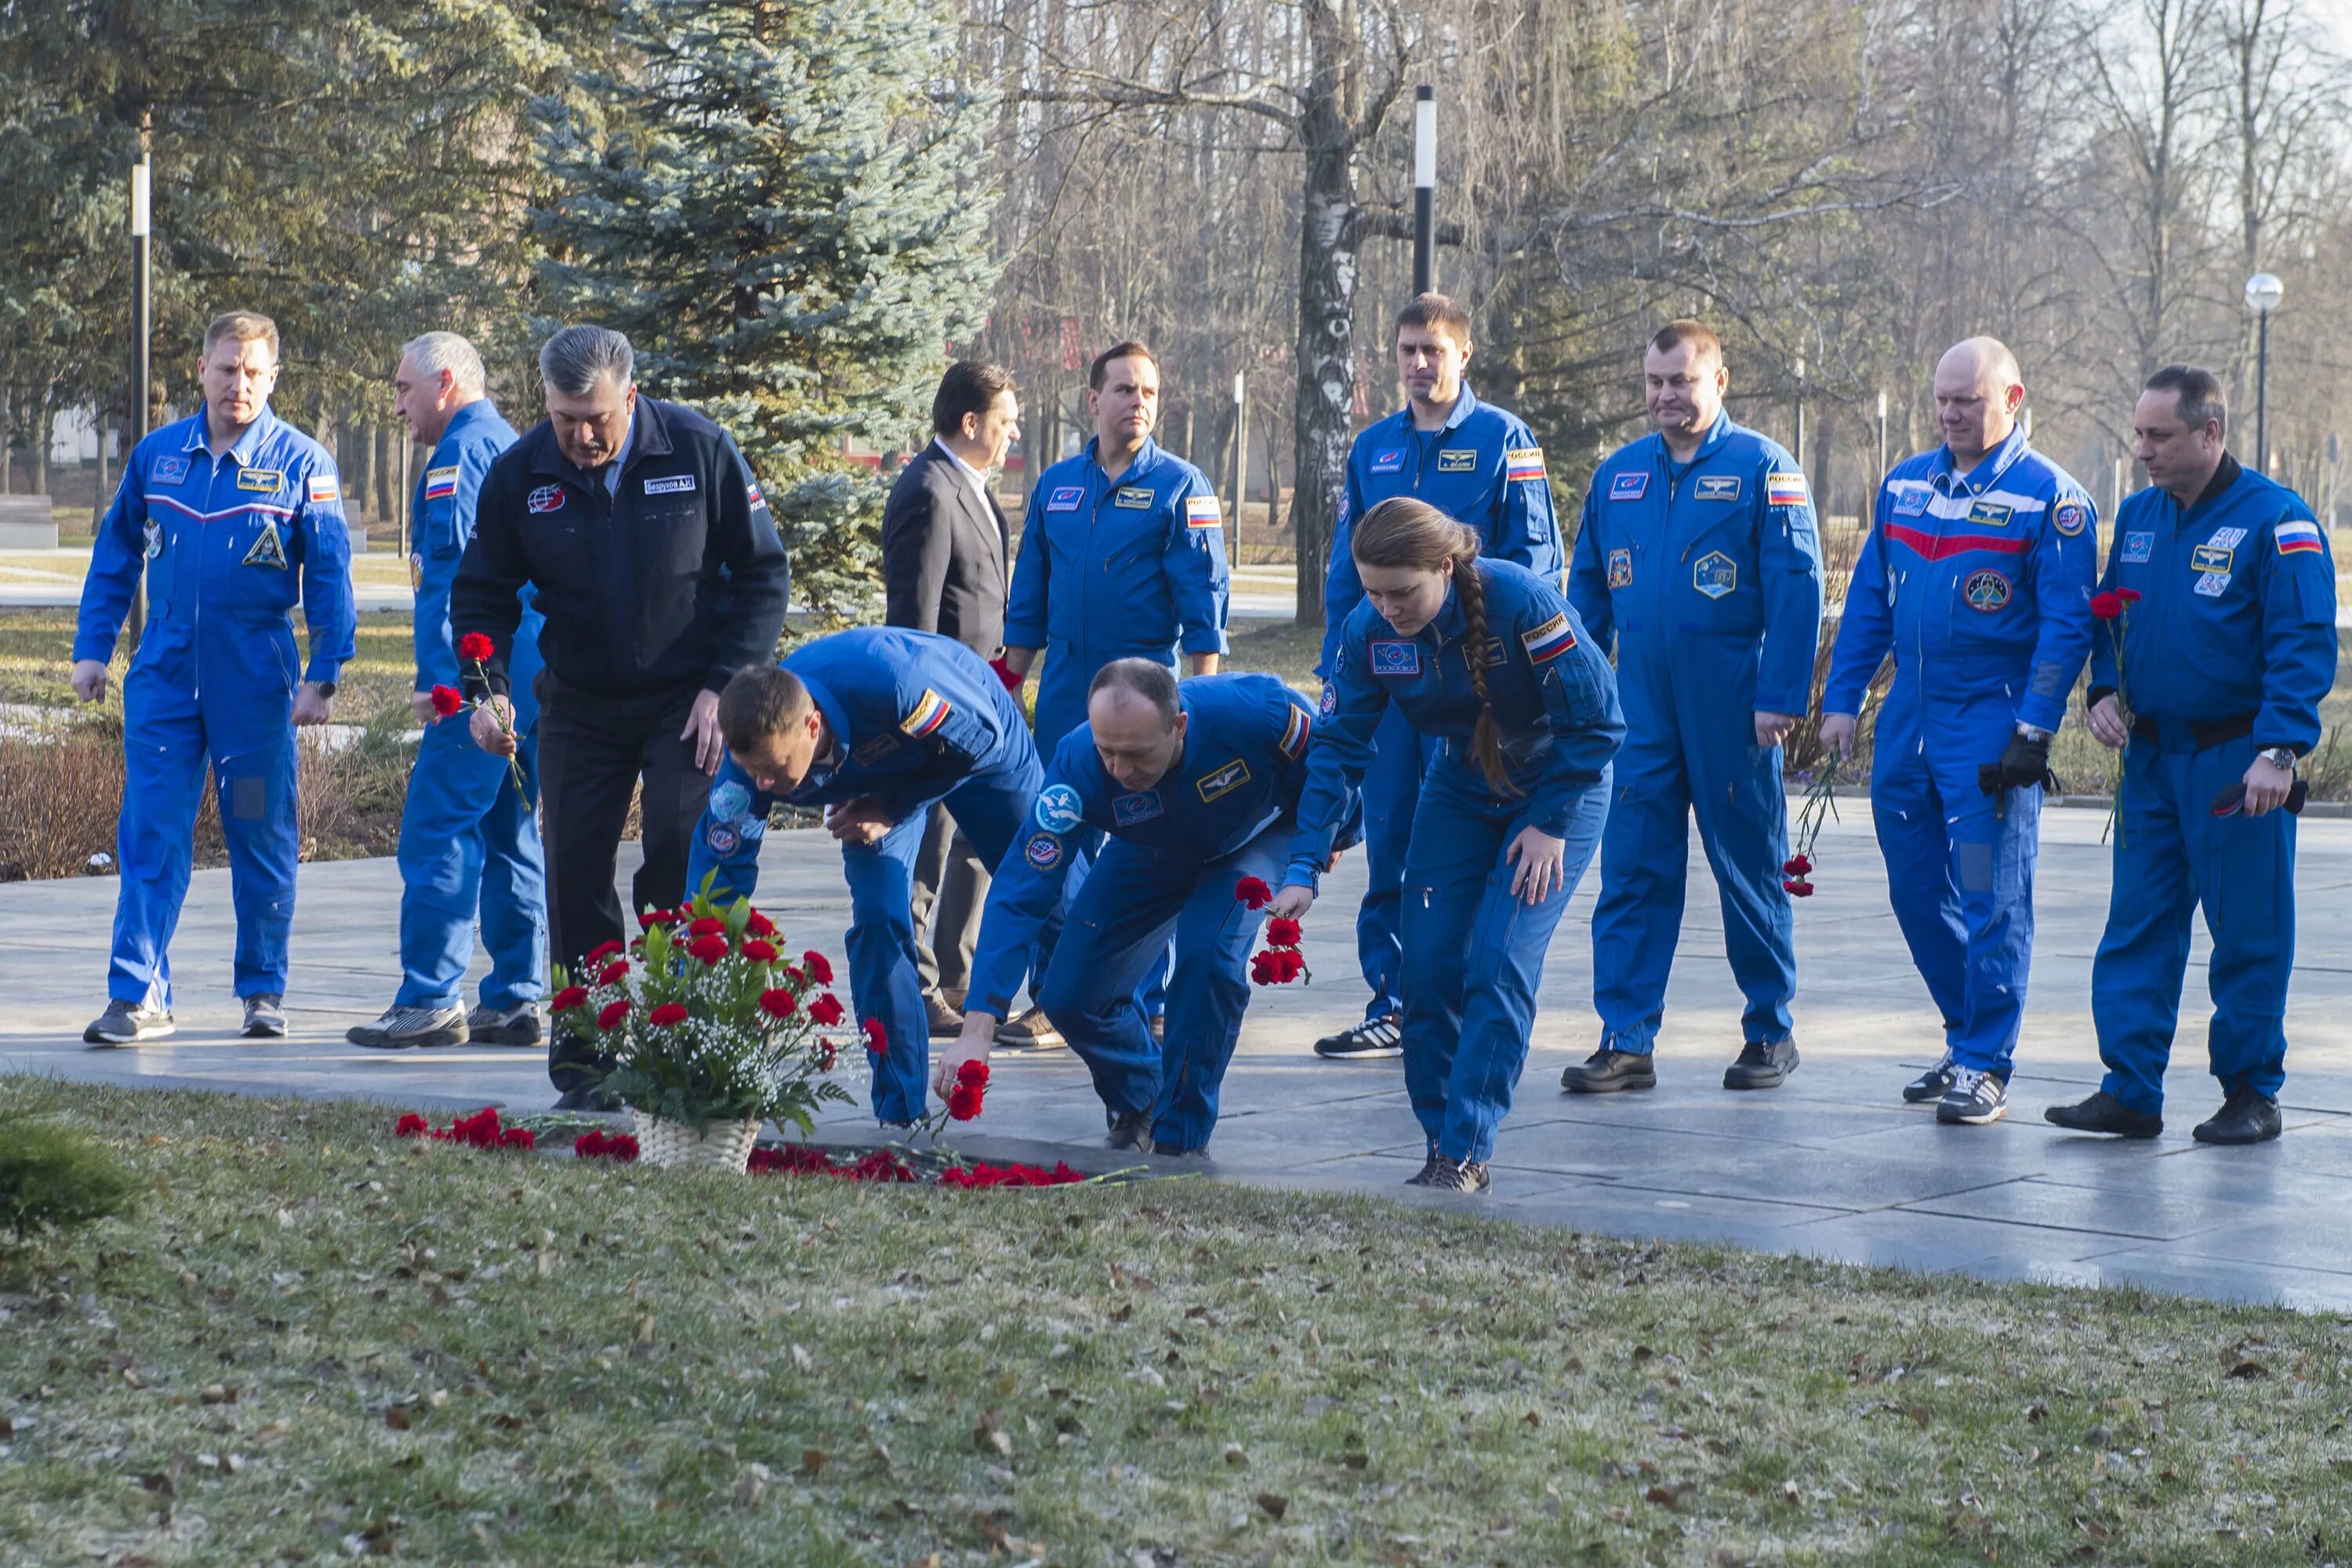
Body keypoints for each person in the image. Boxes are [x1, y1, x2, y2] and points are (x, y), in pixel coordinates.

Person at [450, 325, 789, 1106]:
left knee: (676, 860)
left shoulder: (700, 450)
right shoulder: (519, 474)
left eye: (597, 417)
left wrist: (723, 688)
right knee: (572, 872)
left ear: (630, 396)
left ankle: (684, 1052)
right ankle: (589, 1066)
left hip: (688, 699)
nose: (582, 435)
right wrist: (486, 689)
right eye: (565, 417)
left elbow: (763, 575)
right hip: (579, 702)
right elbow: (481, 596)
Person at [1271, 497, 1622, 1194]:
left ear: (1445, 565)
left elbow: (1599, 723)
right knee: (1426, 966)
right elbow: (1338, 749)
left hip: (1560, 785)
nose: (1387, 608)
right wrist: (1306, 862)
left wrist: (1550, 821)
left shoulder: (1523, 601)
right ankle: (1438, 1146)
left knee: (1497, 959)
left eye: (1402, 592)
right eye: (1372, 591)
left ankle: (1468, 1149)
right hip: (1462, 784)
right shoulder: (1369, 629)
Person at [2045, 365, 2337, 1145]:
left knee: (2248, 929)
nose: (2143, 449)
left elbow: (2303, 642)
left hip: (2236, 764)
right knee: (2137, 924)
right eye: (2139, 433)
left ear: (2211, 433)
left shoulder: (2277, 522)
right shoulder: (2139, 516)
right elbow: (2110, 618)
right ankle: (2131, 1088)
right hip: (2150, 762)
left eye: (2160, 435)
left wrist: (2279, 748)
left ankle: (2251, 1090)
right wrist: (2101, 690)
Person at [1819, 337, 2096, 1126]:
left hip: (1990, 729)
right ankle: (1961, 1027)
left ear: (2012, 399)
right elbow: (1871, 594)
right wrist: (1843, 697)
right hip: (1908, 722)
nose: (1950, 412)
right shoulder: (1906, 484)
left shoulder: (2053, 500)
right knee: (1914, 888)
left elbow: (2067, 625)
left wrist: (2033, 729)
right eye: (1941, 398)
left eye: (1967, 400)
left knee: (1991, 895)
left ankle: (1986, 1061)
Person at [74, 310, 354, 1045]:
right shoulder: (158, 457)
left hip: (255, 687)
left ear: (273, 378)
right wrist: (92, 648)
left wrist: (324, 674)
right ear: (201, 368)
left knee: (260, 834)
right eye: (227, 368)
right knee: (150, 833)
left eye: (255, 372)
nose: (239, 384)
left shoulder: (304, 464)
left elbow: (328, 577)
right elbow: (115, 555)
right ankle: (137, 993)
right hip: (164, 679)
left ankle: (263, 990)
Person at [935, 662, 1352, 1156]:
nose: (1119, 770)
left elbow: (1330, 759)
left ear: (1179, 727)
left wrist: (1331, 838)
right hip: (1154, 845)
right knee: (1069, 992)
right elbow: (1022, 887)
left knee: (1208, 956)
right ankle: (1144, 1099)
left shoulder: (1253, 711)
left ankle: (1180, 1140)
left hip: (1256, 836)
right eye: (1106, 751)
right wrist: (978, 1029)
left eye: (1136, 754)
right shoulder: (1076, 767)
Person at [1562, 320, 1824, 1093]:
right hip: (1638, 708)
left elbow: (1798, 588)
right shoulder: (1619, 476)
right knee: (1633, 867)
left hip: (1733, 708)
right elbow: (1586, 591)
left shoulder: (1763, 469)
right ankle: (1626, 1036)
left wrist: (1780, 696)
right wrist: (1576, 684)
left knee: (1747, 868)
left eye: (1682, 380)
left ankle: (1769, 1029)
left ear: (1720, 381)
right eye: (1655, 382)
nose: (1666, 396)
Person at [1309, 292, 1566, 1063]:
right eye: (1407, 351)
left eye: (1433, 350)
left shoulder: (1503, 439)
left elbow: (1537, 560)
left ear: (1464, 354)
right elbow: (1344, 570)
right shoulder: (1373, 447)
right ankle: (1392, 1001)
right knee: (1388, 834)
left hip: (1472, 684)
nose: (1419, 364)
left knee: (1467, 837)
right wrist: (1336, 665)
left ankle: (1464, 995)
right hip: (1391, 678)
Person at [681, 630, 1043, 1127]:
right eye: (751, 772)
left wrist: (894, 805)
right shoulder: (750, 764)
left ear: (812, 726)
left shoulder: (900, 684)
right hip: (871, 781)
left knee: (1047, 889)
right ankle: (901, 1116)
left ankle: (1139, 1089)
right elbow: (715, 884)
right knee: (878, 921)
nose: (763, 785)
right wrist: (693, 985)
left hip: (972, 739)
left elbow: (981, 740)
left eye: (773, 768)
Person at [1001, 339, 1229, 1045]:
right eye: (1125, 390)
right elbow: (1030, 594)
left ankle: (1147, 997)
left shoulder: (1181, 487)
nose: (1138, 403)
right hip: (1068, 690)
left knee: (1147, 843)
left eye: (1149, 392)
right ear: (1093, 399)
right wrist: (1011, 679)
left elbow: (1204, 607)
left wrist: (1198, 706)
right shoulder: (1056, 485)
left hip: (1145, 695)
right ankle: (1052, 993)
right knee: (1056, 836)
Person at [347, 332, 546, 1050]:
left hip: (479, 681)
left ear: (446, 381)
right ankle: (515, 998)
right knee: (511, 831)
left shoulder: (458, 457)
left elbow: (463, 585)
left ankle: (430, 996)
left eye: (404, 389)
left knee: (437, 829)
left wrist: (449, 687)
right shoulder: (514, 446)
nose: (398, 405)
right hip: (528, 674)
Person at [881, 361, 1019, 1040]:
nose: (1012, 432)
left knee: (971, 842)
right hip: (940, 713)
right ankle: (916, 985)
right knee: (927, 851)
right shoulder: (930, 492)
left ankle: (957, 980)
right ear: (970, 424)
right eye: (1004, 421)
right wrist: (925, 722)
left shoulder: (975, 488)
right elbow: (914, 623)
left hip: (982, 705)